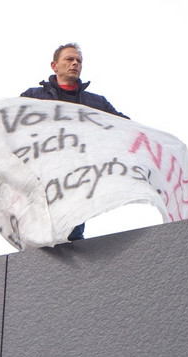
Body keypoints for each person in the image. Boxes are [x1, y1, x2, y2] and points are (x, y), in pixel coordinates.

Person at [21, 42, 128, 241]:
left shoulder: (96, 103)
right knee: (39, 237)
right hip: (41, 177)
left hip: (78, 180)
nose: (75, 63)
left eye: (79, 60)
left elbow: (124, 127)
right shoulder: (33, 97)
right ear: (54, 66)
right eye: (69, 59)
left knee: (73, 236)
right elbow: (6, 123)